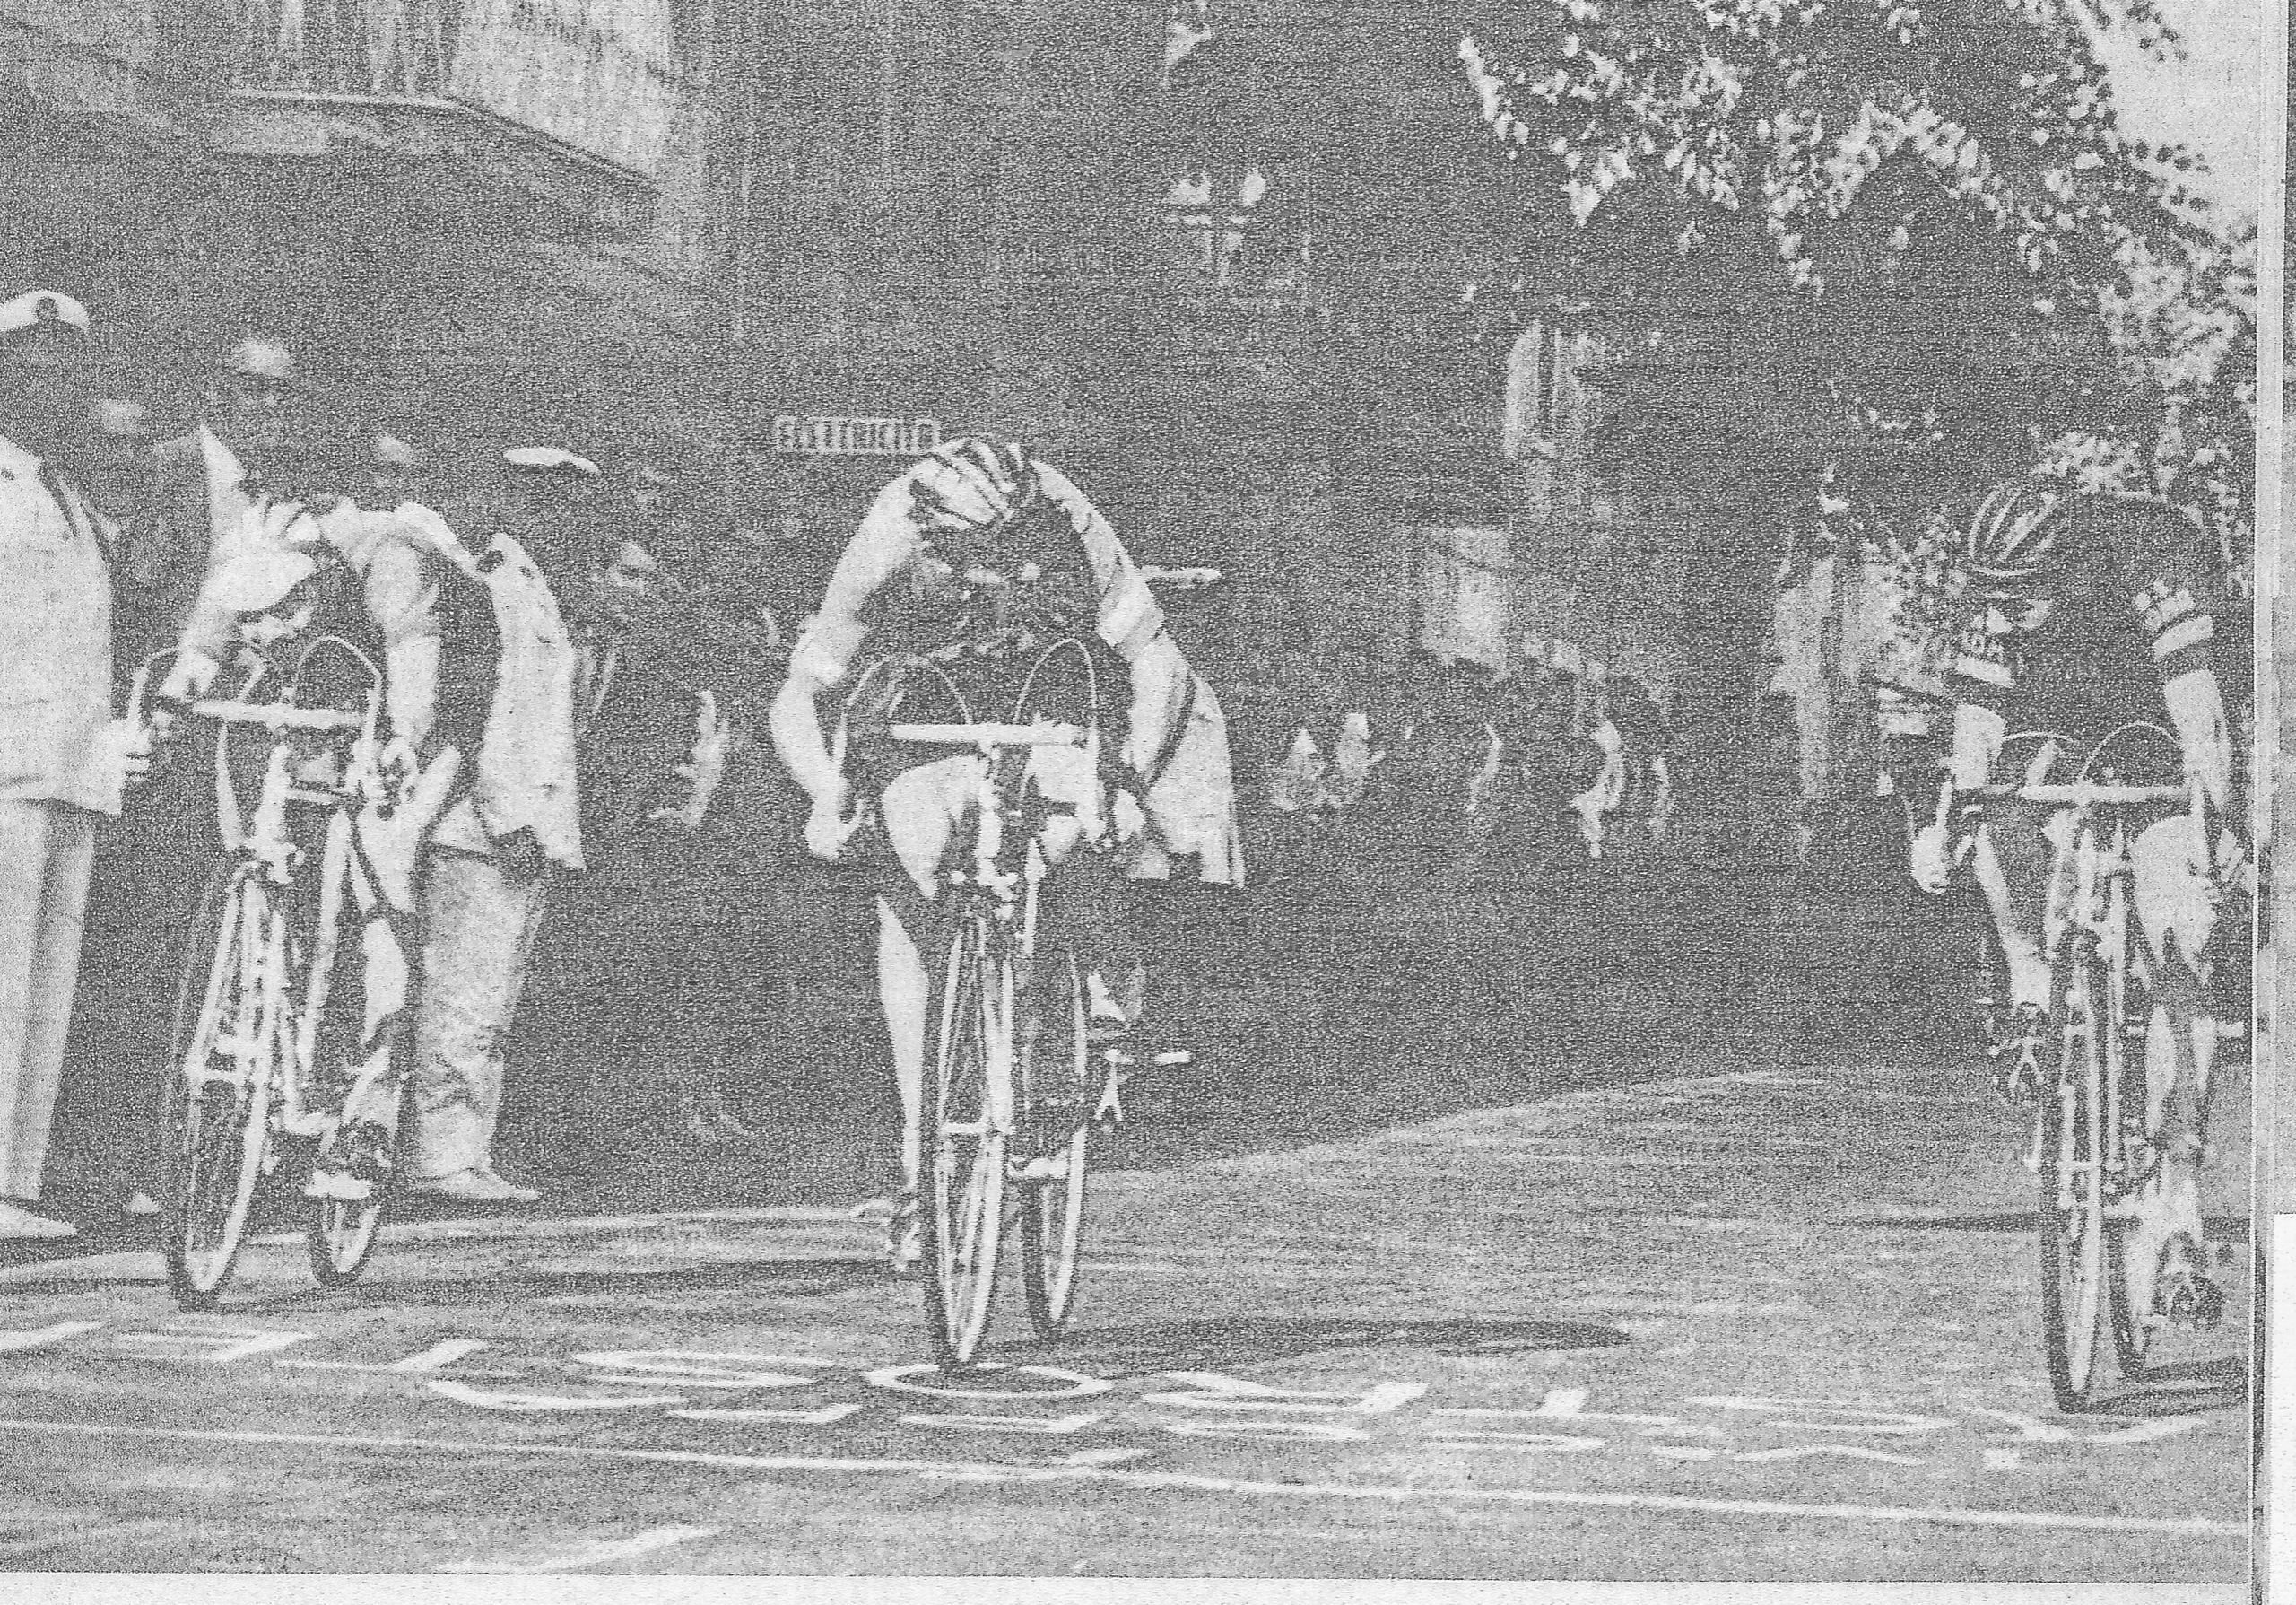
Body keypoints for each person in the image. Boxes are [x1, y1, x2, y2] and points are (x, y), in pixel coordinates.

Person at [769, 437, 1239, 1267]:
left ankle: (1102, 988)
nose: (989, 567)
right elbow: (796, 698)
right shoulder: (884, 540)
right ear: (930, 533)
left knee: (1075, 820)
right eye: (968, 553)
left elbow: (1158, 665)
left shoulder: (1069, 516)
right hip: (931, 694)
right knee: (906, 885)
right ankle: (921, 1173)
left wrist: (1126, 779)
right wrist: (822, 791)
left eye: (1007, 548)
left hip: (1056, 683)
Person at [1909, 484, 2241, 1330]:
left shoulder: (2150, 559)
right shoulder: (2003, 589)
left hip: (2155, 726)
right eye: (1995, 600)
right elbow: (1976, 733)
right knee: (1998, 813)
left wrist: (2214, 831)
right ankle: (2034, 987)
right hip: (2055, 727)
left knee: (2179, 939)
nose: (2006, 615)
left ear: (2069, 565)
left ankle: (2178, 1198)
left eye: (2023, 598)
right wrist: (1948, 823)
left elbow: (2201, 722)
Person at [392, 445, 593, 1206]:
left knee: (493, 998)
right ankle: (440, 1153)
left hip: (528, 824)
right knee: (464, 996)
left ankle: (465, 1149)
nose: (562, 517)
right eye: (547, 499)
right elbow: (494, 712)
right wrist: (507, 814)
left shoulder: (532, 582)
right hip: (486, 826)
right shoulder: (496, 580)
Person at [0, 290, 151, 1240]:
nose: (52, 390)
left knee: (44, 987)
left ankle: (16, 1185)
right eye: (32, 373)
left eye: (66, 375)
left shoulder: (64, 493)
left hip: (69, 767)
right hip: (8, 765)